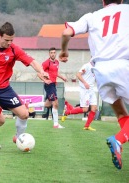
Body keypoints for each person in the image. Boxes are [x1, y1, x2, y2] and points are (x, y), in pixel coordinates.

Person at [59, 0, 129, 170]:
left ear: (102, 1)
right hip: (124, 65)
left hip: (101, 71)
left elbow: (66, 32)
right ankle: (119, 139)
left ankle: (120, 140)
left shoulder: (92, 16)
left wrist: (64, 51)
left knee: (121, 113)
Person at [27, 47, 67, 128]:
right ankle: (56, 124)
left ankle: (28, 105)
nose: (53, 54)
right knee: (55, 103)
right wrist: (45, 80)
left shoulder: (57, 62)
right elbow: (39, 73)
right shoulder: (46, 63)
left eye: (54, 52)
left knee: (47, 104)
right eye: (51, 53)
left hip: (53, 84)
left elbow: (55, 72)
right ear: (49, 54)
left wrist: (62, 77)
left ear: (55, 54)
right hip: (49, 85)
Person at [61, 62, 97, 131]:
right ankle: (67, 112)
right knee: (85, 109)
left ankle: (87, 126)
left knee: (94, 108)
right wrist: (85, 83)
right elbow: (78, 74)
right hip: (85, 90)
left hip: (91, 90)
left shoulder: (96, 67)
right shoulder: (87, 66)